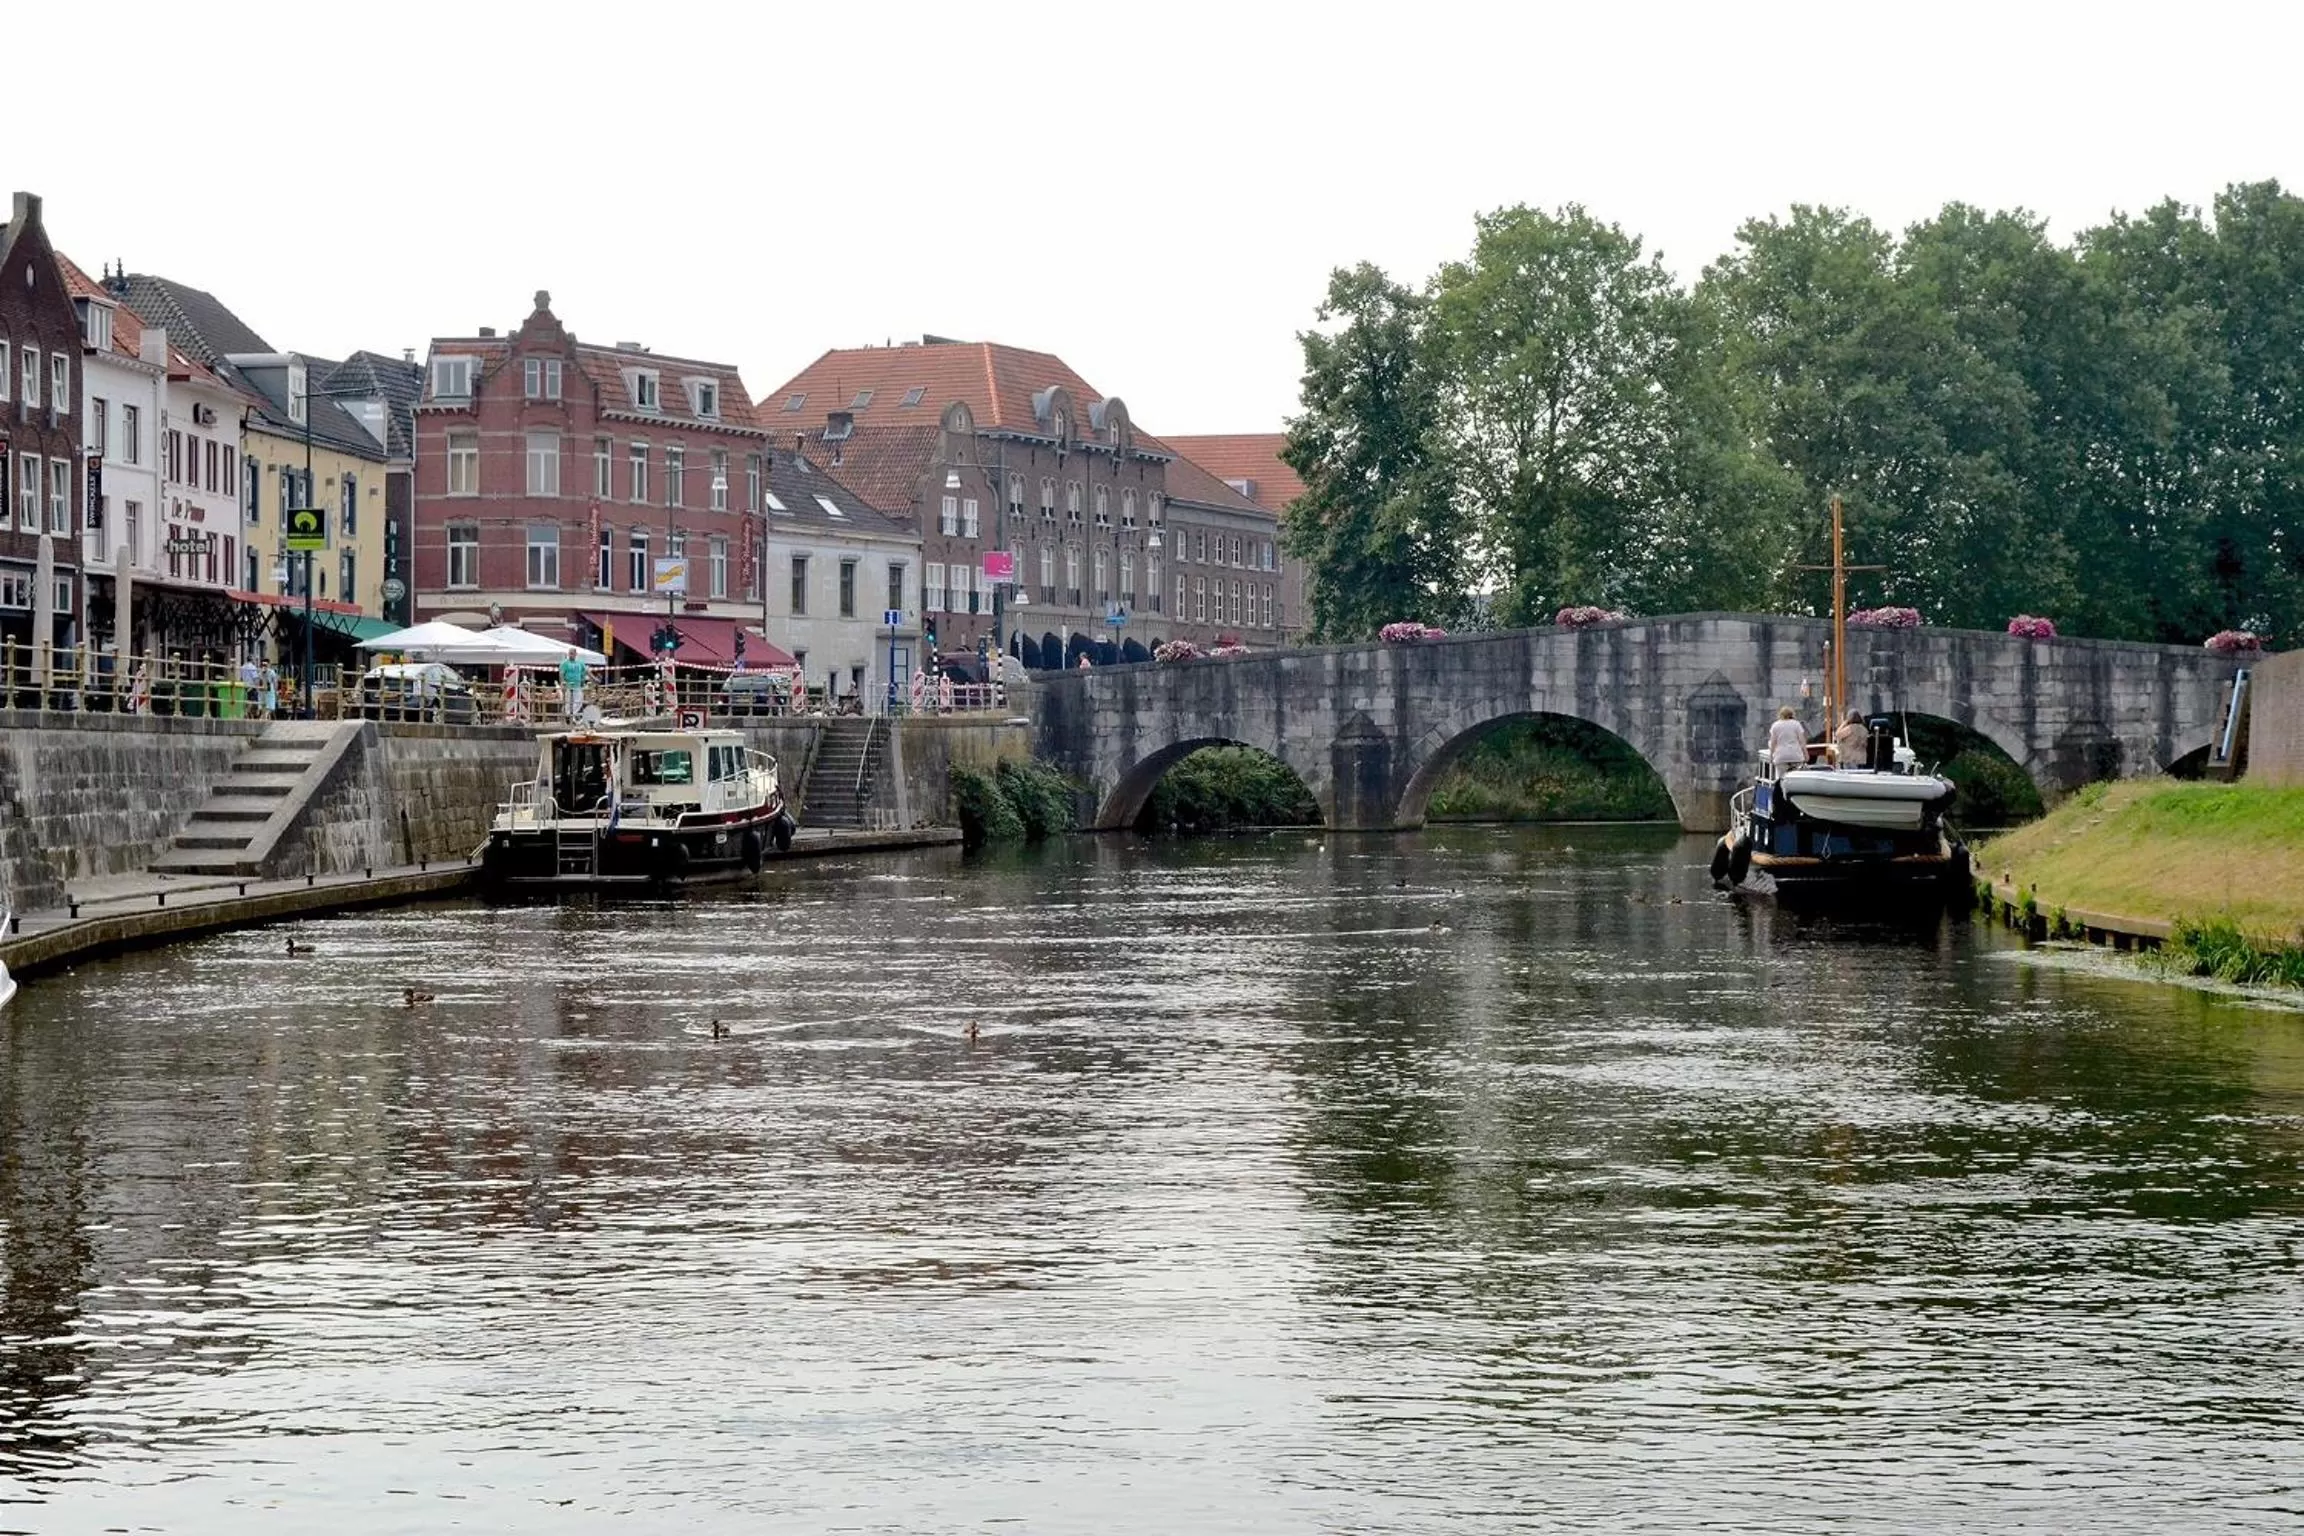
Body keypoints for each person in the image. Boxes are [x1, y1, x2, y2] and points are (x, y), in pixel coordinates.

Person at [559, 651, 587, 721]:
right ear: (568, 654)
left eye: (573, 653)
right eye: (570, 653)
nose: (571, 655)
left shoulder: (580, 663)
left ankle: (570, 715)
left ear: (576, 654)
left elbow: (585, 671)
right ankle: (568, 715)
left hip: (577, 685)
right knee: (568, 701)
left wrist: (583, 680)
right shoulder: (565, 663)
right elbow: (561, 673)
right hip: (568, 685)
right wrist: (562, 683)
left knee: (579, 701)